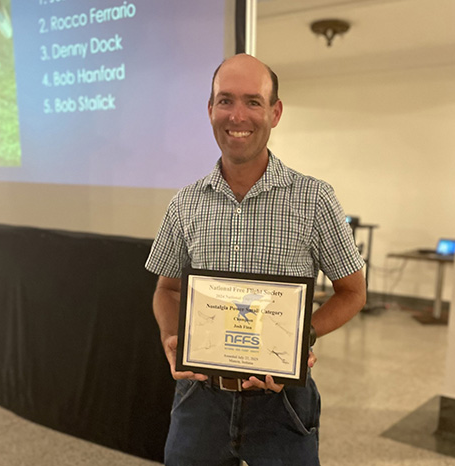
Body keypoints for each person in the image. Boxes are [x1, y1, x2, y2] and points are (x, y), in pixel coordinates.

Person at [145, 53, 366, 466]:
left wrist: (303, 337)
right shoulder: (185, 203)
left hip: (282, 402)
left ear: (275, 112)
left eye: (253, 101)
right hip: (199, 399)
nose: (237, 115)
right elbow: (167, 288)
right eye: (225, 100)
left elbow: (352, 292)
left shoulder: (315, 199)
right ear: (210, 109)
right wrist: (168, 334)